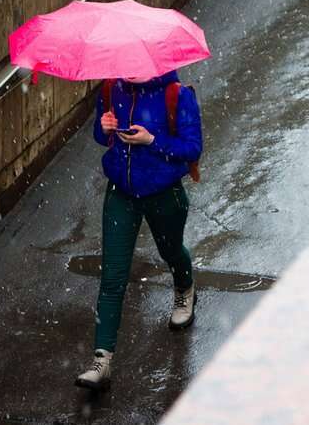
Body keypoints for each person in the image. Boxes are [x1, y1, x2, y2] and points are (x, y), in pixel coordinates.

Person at [75, 70, 203, 391]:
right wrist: (103, 130)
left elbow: (192, 148)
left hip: (165, 194)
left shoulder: (177, 95)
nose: (128, 69)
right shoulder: (110, 88)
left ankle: (185, 288)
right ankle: (101, 361)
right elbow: (100, 137)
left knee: (171, 251)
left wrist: (152, 141)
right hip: (121, 193)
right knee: (113, 276)